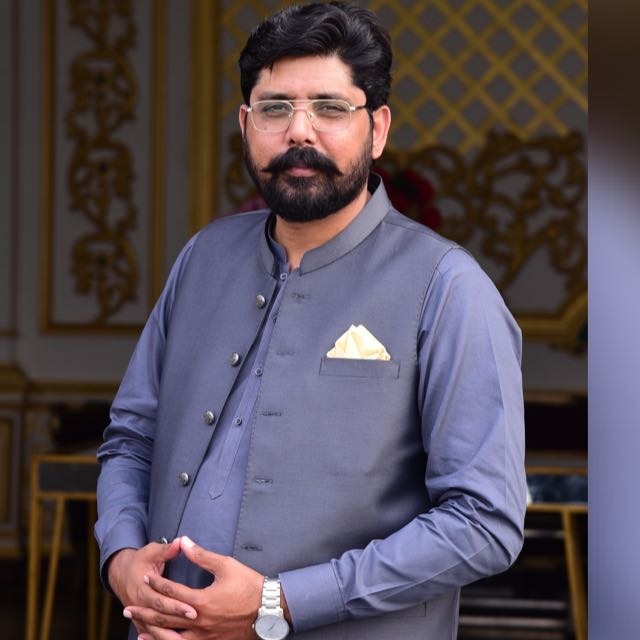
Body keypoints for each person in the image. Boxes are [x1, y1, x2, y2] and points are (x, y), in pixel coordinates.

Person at [95, 3, 527, 639]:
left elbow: (485, 523)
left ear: (377, 129)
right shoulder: (203, 258)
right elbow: (132, 438)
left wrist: (280, 602)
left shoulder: (447, 287)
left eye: (330, 108)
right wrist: (121, 557)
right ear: (246, 124)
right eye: (274, 108)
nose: (300, 131)